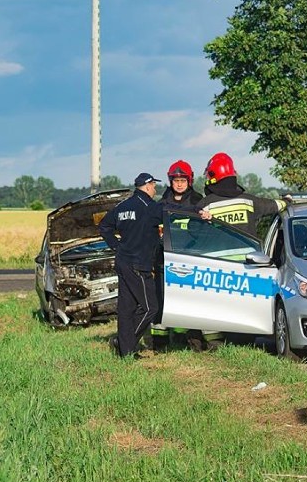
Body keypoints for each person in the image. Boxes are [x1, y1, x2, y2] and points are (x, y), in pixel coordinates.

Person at [192, 152, 289, 350]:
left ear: (212, 177)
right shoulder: (248, 201)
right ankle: (245, 339)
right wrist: (287, 201)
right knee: (247, 305)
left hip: (217, 266)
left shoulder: (204, 206)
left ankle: (214, 343)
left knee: (213, 305)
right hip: (248, 265)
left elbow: (188, 228)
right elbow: (273, 206)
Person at [99, 172, 163, 359]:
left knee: (126, 309)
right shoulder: (150, 207)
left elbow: (104, 226)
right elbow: (170, 212)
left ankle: (125, 353)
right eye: (154, 185)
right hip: (138, 265)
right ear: (147, 185)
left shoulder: (122, 206)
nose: (155, 189)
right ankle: (123, 342)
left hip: (123, 261)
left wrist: (115, 245)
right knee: (151, 307)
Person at [151, 160, 203, 348]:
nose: (179, 184)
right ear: (170, 181)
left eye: (183, 180)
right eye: (176, 180)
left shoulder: (198, 201)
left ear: (190, 180)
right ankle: (159, 341)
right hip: (164, 259)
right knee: (161, 298)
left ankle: (186, 338)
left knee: (187, 299)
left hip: (190, 258)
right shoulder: (162, 203)